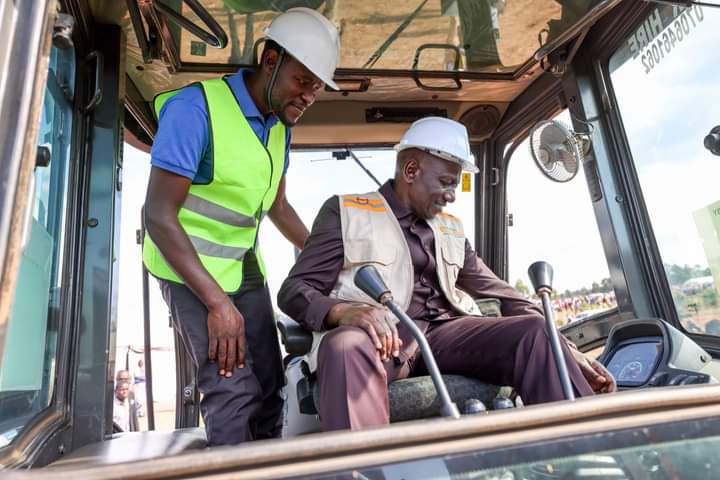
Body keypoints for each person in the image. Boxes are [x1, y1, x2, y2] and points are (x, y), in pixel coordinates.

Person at [278, 117, 616, 431]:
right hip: (382, 342)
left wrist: (565, 347)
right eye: (445, 183)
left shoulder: (450, 229)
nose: (452, 195)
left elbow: (500, 292)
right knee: (344, 346)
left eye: (455, 184)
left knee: (534, 329)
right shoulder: (346, 212)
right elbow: (295, 290)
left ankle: (587, 451)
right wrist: (342, 312)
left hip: (446, 337)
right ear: (411, 170)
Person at [142, 8, 341, 445]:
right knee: (233, 390)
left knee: (271, 387)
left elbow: (278, 205)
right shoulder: (195, 110)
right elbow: (157, 214)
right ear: (271, 61)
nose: (309, 96)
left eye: (317, 87)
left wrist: (330, 258)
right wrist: (217, 304)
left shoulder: (279, 127)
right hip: (187, 269)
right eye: (302, 81)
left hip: (244, 268)